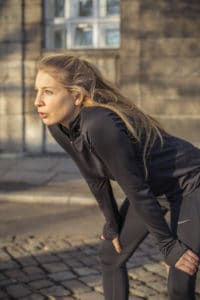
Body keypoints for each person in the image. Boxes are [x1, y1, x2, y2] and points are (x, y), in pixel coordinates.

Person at [34, 54, 200, 300]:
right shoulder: (57, 125)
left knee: (180, 272)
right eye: (37, 91)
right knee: (110, 256)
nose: (37, 101)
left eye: (47, 91)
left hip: (190, 183)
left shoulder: (99, 123)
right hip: (154, 190)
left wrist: (167, 246)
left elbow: (135, 189)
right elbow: (93, 176)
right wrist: (112, 222)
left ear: (76, 96)